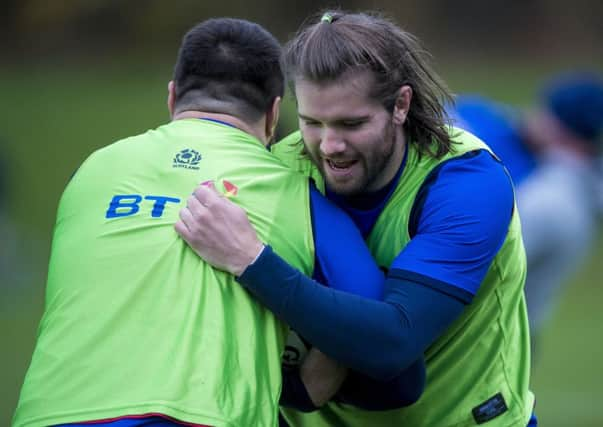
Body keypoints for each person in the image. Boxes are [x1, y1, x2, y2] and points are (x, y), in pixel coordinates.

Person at [12, 17, 423, 427]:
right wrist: (303, 388)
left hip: (48, 414)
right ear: (273, 114)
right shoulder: (298, 197)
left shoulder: (89, 173)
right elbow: (387, 351)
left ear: (173, 98)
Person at [175, 10, 537, 427]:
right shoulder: (279, 170)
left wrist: (252, 261)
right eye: (313, 122)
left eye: (352, 124)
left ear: (400, 105)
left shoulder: (466, 183)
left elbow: (394, 343)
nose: (329, 146)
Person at [450, 73, 603, 352]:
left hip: (486, 341)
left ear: (570, 135)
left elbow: (479, 256)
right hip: (505, 335)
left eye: (548, 114)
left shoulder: (553, 198)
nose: (534, 116)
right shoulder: (555, 179)